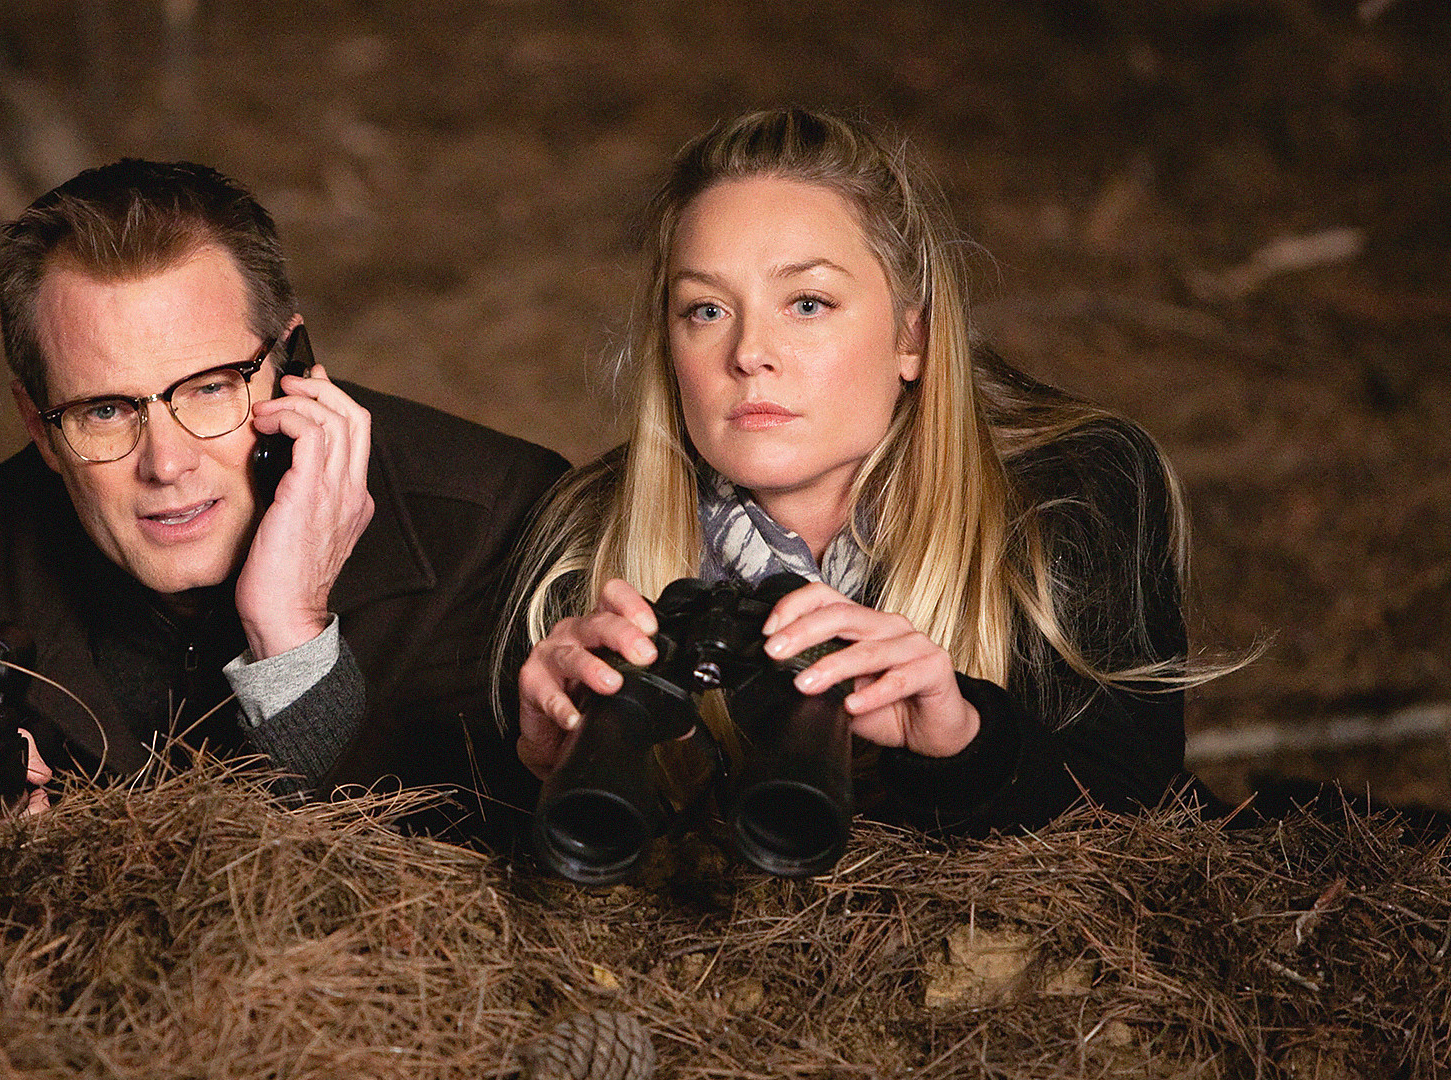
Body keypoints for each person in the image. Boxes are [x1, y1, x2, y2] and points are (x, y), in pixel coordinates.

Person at [507, 108, 1241, 834]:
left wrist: (965, 744)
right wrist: (537, 767)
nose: (749, 352)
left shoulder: (1069, 491)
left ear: (910, 336)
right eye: (705, 310)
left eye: (807, 303)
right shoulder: (586, 539)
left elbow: (1143, 815)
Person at [0, 159, 568, 845]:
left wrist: (292, 644)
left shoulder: (500, 532)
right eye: (105, 411)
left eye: (212, 387)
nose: (167, 464)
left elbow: (497, 889)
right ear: (39, 427)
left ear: (290, 363)